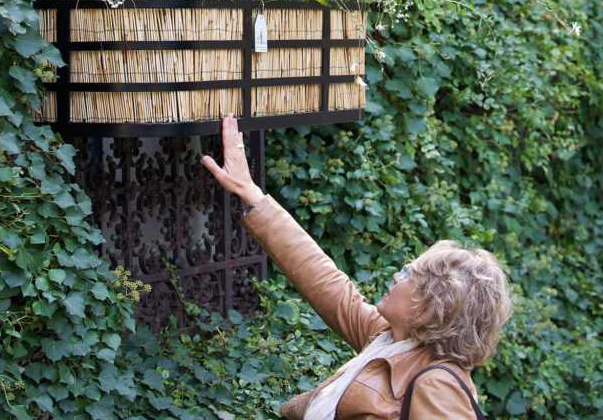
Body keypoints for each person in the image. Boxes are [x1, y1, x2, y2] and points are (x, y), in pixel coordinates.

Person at [201, 115, 513, 420]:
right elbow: (323, 280)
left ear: (430, 309)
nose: (396, 275)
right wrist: (252, 194)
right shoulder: (389, 340)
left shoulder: (437, 384)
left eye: (408, 275)